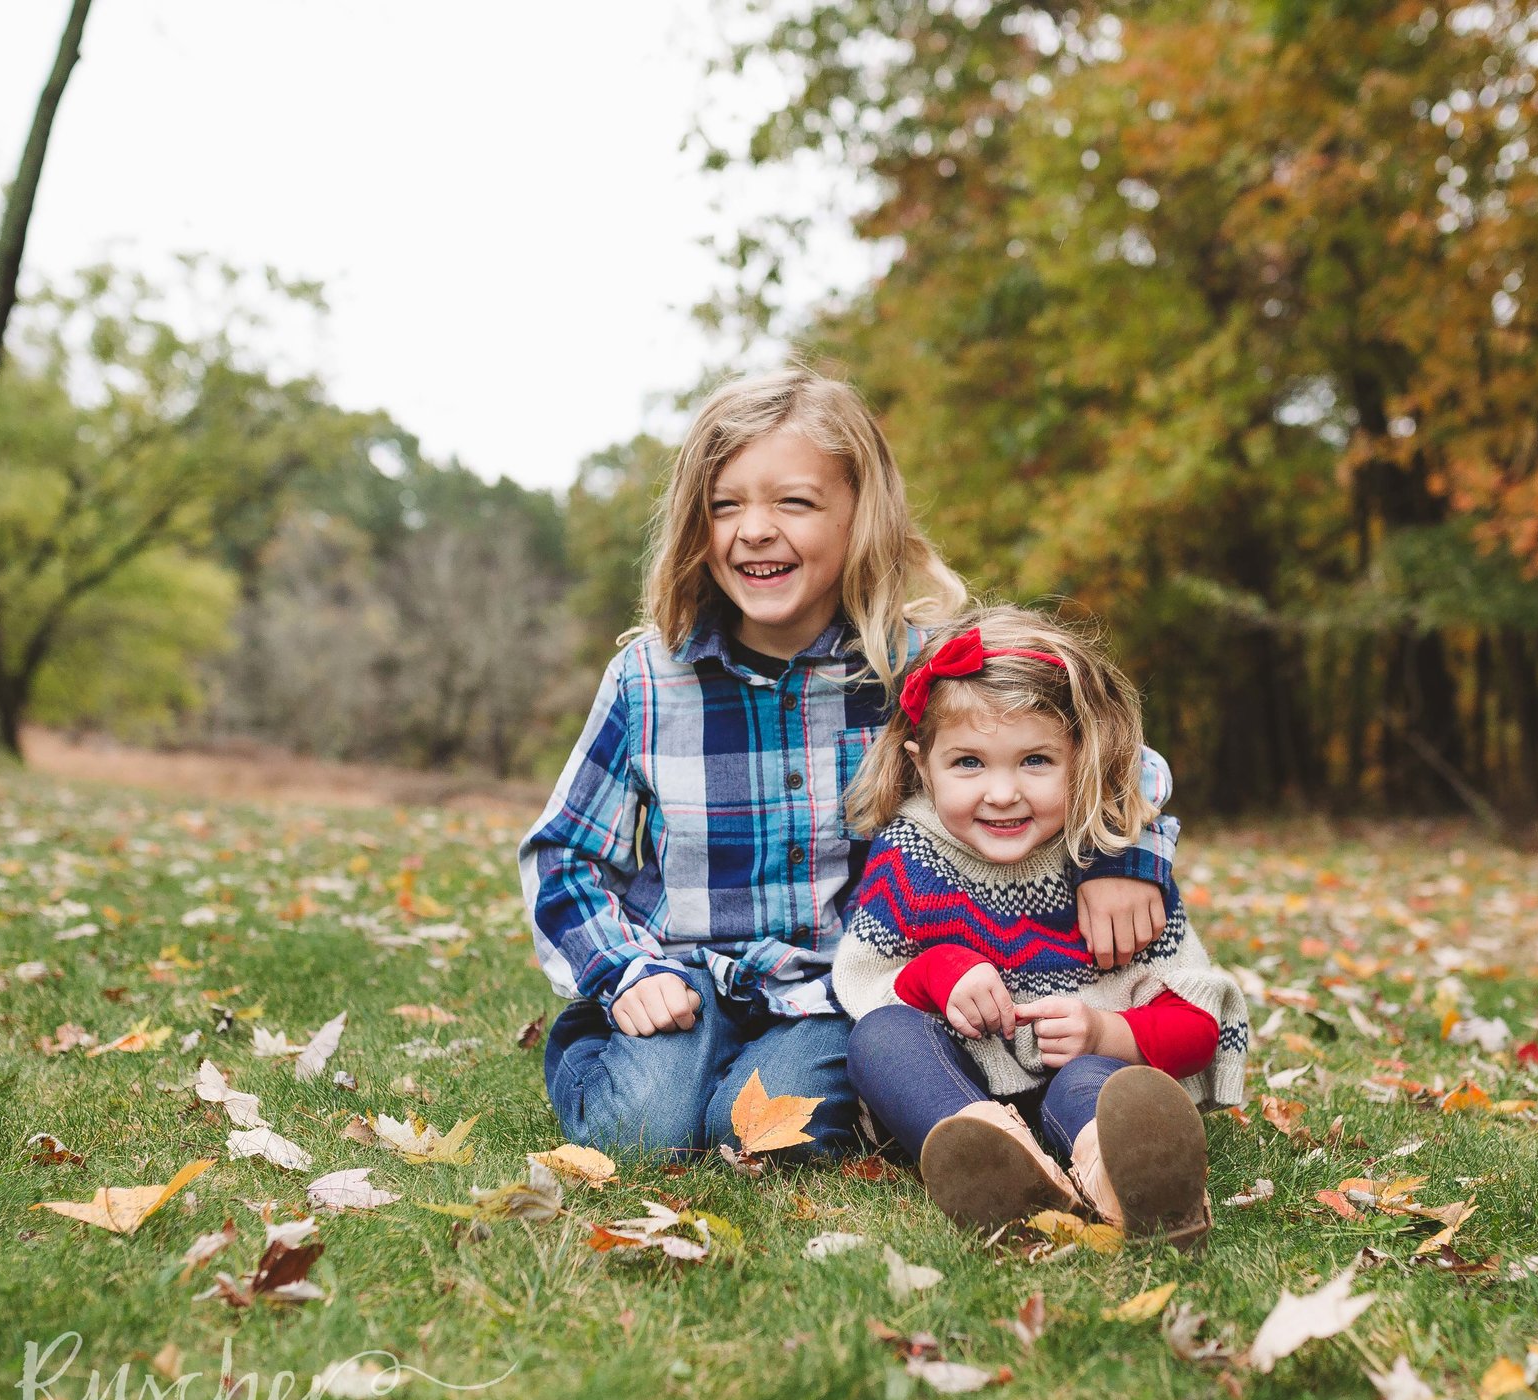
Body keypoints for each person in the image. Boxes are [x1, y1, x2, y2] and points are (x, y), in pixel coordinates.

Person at [519, 368, 1182, 1158]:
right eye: (725, 505)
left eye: (793, 502)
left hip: (834, 993)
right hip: (680, 979)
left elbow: (1113, 751)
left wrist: (1125, 854)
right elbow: (561, 854)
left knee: (763, 1139)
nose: (754, 529)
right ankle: (622, 1051)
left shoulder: (923, 670)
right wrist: (627, 972)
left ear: (860, 516)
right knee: (644, 1134)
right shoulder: (649, 679)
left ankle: (738, 1084)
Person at [832, 605, 1248, 1245]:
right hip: (957, 1077)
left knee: (1094, 1088)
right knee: (880, 1040)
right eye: (969, 763)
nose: (1002, 793)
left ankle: (1127, 1183)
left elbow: (1198, 1020)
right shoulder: (910, 853)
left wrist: (1108, 1033)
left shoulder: (1112, 862)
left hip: (1076, 1082)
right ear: (922, 764)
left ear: (1082, 757)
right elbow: (867, 979)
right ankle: (988, 1155)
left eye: (1035, 761)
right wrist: (943, 973)